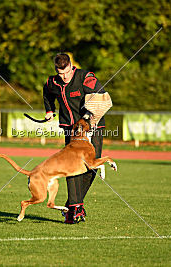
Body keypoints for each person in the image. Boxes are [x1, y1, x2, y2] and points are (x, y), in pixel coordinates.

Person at [43, 53, 106, 224]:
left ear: (72, 66)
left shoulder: (85, 77)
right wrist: (49, 110)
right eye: (60, 73)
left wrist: (89, 114)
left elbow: (101, 95)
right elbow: (47, 92)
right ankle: (74, 209)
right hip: (71, 131)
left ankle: (72, 205)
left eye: (67, 72)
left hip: (93, 127)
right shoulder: (52, 82)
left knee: (92, 166)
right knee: (72, 168)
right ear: (56, 70)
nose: (64, 77)